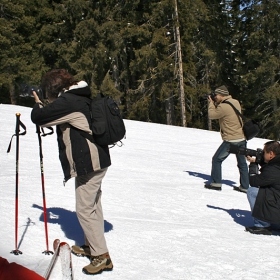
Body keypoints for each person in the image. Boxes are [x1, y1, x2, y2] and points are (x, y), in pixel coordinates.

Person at [31, 69, 113, 275]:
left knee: (85, 209)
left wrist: (38, 103)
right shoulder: (79, 96)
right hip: (96, 160)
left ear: (52, 89)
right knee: (93, 204)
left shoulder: (68, 101)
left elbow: (39, 117)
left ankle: (101, 257)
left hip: (89, 162)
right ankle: (91, 245)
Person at [204, 85, 249, 192]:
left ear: (222, 95)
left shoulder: (223, 106)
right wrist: (215, 102)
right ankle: (245, 186)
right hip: (241, 138)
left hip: (231, 140)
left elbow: (212, 115)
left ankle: (216, 183)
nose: (215, 97)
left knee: (217, 159)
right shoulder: (235, 102)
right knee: (242, 163)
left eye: (216, 95)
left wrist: (211, 103)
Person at [245, 141, 280, 235]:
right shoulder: (276, 165)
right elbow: (270, 172)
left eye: (264, 152)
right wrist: (259, 161)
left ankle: (262, 225)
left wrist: (253, 164)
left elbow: (254, 181)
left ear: (271, 154)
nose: (263, 154)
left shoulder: (273, 170)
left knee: (252, 192)